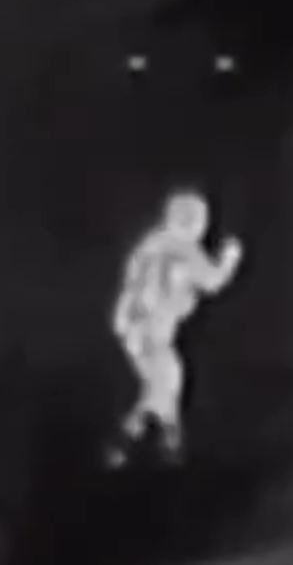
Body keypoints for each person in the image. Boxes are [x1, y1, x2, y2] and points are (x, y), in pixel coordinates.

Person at [107, 189, 243, 467]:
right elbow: (212, 281)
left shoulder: (150, 244)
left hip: (132, 327)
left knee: (164, 384)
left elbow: (131, 278)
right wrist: (230, 257)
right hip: (155, 330)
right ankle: (153, 444)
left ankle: (152, 442)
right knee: (166, 381)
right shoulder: (185, 251)